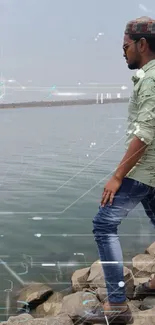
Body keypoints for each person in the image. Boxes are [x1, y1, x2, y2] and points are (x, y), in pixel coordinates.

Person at [89, 16, 155, 324]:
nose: (123, 53)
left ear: (142, 45)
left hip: (145, 170)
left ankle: (116, 305)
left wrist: (117, 176)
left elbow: (145, 133)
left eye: (125, 46)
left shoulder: (153, 79)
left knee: (104, 223)